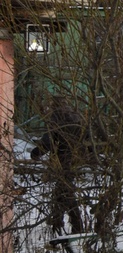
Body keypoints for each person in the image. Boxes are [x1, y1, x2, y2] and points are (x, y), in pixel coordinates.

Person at [31, 97, 86, 234]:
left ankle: (77, 226)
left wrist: (36, 153)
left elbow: (48, 141)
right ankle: (56, 220)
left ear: (53, 105)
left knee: (67, 192)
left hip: (63, 159)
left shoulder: (56, 117)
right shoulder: (76, 114)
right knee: (61, 189)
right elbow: (88, 136)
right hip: (77, 159)